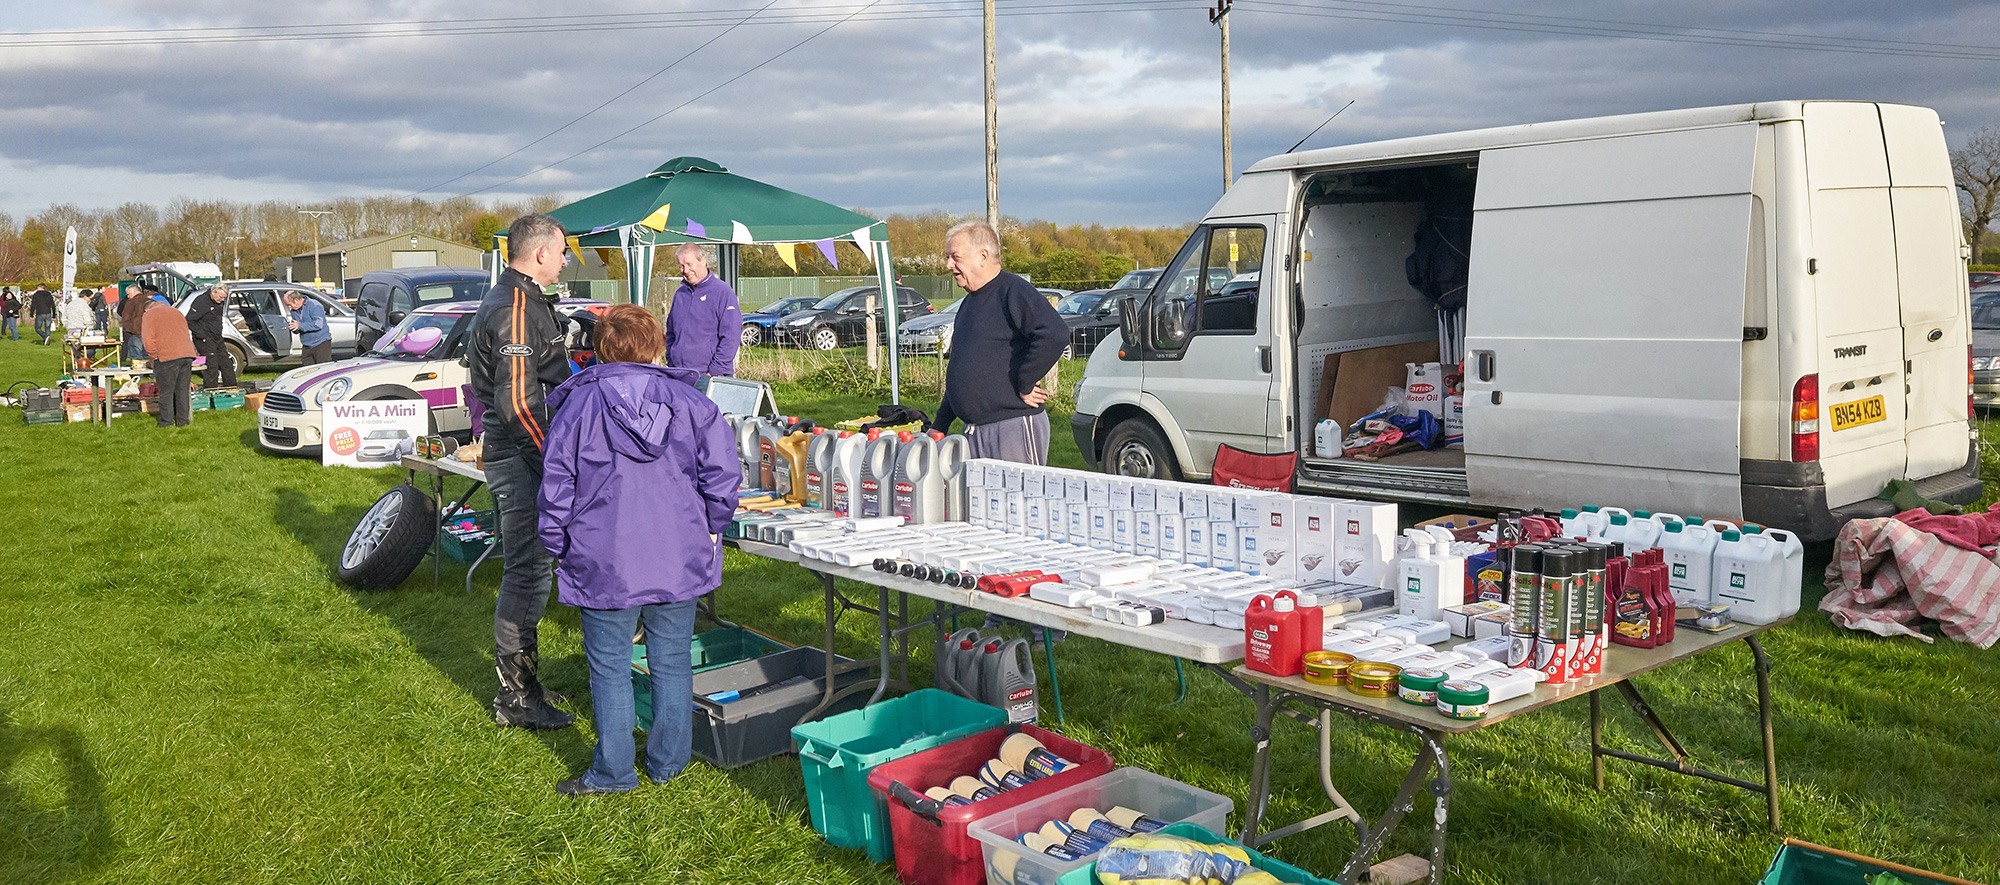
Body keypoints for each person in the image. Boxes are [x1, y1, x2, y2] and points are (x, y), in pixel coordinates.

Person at [538, 305, 739, 796]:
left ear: (603, 348)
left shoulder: (578, 408)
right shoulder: (693, 403)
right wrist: (712, 526)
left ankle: (614, 771)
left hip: (604, 555)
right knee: (671, 661)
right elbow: (723, 477)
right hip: (675, 551)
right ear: (657, 345)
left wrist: (557, 542)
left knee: (610, 667)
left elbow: (556, 486)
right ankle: (665, 764)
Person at [469, 213, 577, 731]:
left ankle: (525, 682)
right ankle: (515, 696)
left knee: (534, 570)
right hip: (521, 456)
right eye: (561, 252)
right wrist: (554, 467)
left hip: (521, 453)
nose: (564, 261)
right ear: (539, 254)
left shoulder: (525, 298)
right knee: (527, 572)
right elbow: (517, 404)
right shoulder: (513, 306)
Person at [930, 221, 1068, 464]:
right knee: (977, 503)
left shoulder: (1013, 291)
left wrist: (1025, 382)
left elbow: (1054, 333)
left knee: (1019, 501)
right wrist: (940, 424)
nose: (948, 264)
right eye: (947, 257)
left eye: (955, 257)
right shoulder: (968, 304)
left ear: (983, 256)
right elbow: (961, 370)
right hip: (973, 432)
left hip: (1011, 428)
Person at [662, 243, 740, 382]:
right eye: (681, 265)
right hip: (680, 375)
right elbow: (671, 333)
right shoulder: (680, 294)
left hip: (709, 377)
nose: (685, 270)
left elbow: (731, 336)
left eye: (689, 264)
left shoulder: (723, 292)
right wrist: (672, 361)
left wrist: (713, 372)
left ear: (703, 260)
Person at [142, 291, 197, 427]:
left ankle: (166, 422)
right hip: (186, 354)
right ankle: (183, 421)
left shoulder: (150, 314)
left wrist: (153, 357)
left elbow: (148, 339)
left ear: (146, 308)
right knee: (182, 390)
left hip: (166, 356)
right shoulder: (176, 311)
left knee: (166, 392)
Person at [188, 284, 236, 388]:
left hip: (217, 337)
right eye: (220, 297)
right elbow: (189, 320)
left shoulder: (219, 303)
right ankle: (210, 390)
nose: (222, 300)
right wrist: (202, 335)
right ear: (213, 292)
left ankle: (232, 388)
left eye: (224, 298)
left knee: (226, 363)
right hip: (204, 339)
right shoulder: (201, 301)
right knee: (212, 366)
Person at [283, 291, 331, 364]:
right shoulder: (294, 311)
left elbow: (318, 324)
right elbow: (298, 327)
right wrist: (294, 328)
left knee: (323, 369)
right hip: (307, 345)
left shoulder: (314, 305)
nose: (289, 307)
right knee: (307, 370)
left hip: (321, 343)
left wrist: (300, 326)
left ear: (296, 300)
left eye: (289, 304)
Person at [119, 283, 151, 361]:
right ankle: (149, 372)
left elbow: (125, 317)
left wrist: (127, 331)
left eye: (128, 294)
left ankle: (139, 373)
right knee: (148, 356)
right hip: (149, 332)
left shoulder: (131, 302)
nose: (128, 297)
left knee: (136, 357)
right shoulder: (150, 301)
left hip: (135, 332)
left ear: (134, 292)